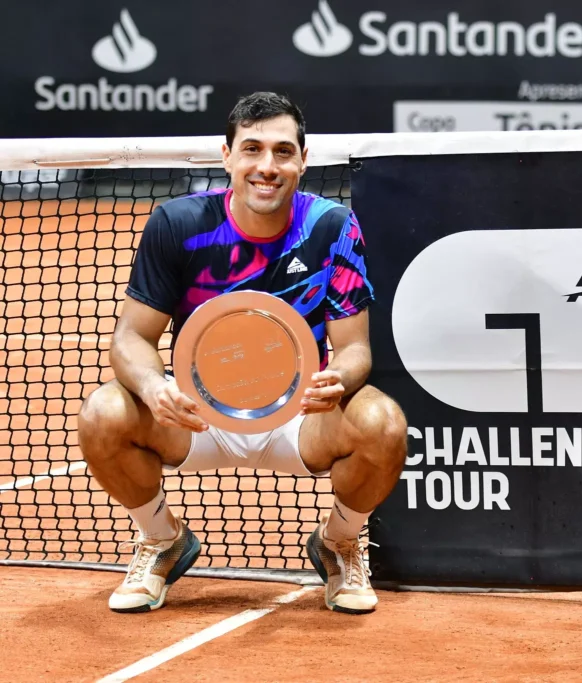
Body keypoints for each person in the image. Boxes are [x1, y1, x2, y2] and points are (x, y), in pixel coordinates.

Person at [76, 91, 408, 615]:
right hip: (199, 412)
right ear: (227, 155)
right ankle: (162, 540)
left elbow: (354, 349)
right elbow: (131, 338)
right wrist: (152, 386)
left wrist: (337, 380)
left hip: (301, 415)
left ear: (303, 159)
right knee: (103, 414)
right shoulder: (178, 224)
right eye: (251, 149)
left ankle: (339, 543)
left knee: (383, 423)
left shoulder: (330, 227)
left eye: (282, 151)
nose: (266, 166)